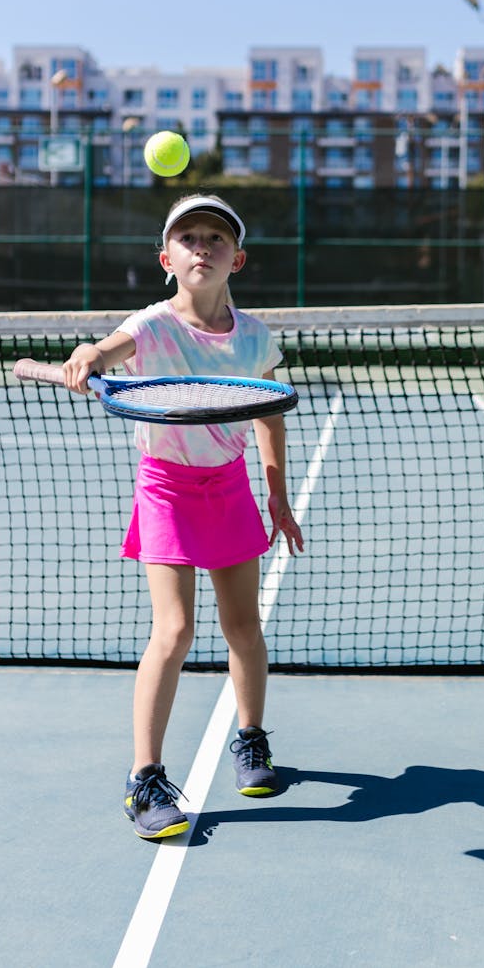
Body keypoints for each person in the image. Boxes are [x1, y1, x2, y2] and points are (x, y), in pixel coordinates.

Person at [62, 193, 304, 840]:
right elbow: (112, 347)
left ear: (238, 259)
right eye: (189, 238)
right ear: (166, 258)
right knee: (173, 630)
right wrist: (90, 354)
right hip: (165, 485)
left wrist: (276, 492)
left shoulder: (254, 337)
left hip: (228, 485)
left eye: (215, 239)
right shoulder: (150, 325)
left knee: (244, 626)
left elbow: (268, 411)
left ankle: (250, 740)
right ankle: (144, 780)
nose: (203, 247)